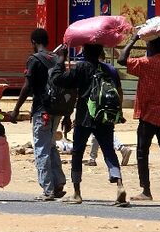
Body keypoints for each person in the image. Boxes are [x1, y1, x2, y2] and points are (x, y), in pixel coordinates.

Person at [52, 43, 128, 206]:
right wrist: (118, 115)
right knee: (109, 151)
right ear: (101, 52)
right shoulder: (110, 70)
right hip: (105, 117)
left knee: (78, 152)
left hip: (84, 117)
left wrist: (61, 59)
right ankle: (119, 184)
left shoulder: (81, 68)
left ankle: (77, 193)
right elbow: (118, 93)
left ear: (85, 53)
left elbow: (58, 80)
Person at [5, 28, 66, 201]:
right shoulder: (56, 58)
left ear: (33, 42)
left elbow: (27, 86)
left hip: (42, 110)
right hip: (57, 110)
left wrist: (16, 109)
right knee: (51, 146)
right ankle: (59, 182)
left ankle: (48, 189)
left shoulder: (34, 60)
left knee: (41, 149)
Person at [117, 33, 160, 201]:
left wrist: (134, 39)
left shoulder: (145, 63)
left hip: (147, 114)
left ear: (153, 46)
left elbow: (121, 60)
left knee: (142, 151)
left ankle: (146, 190)